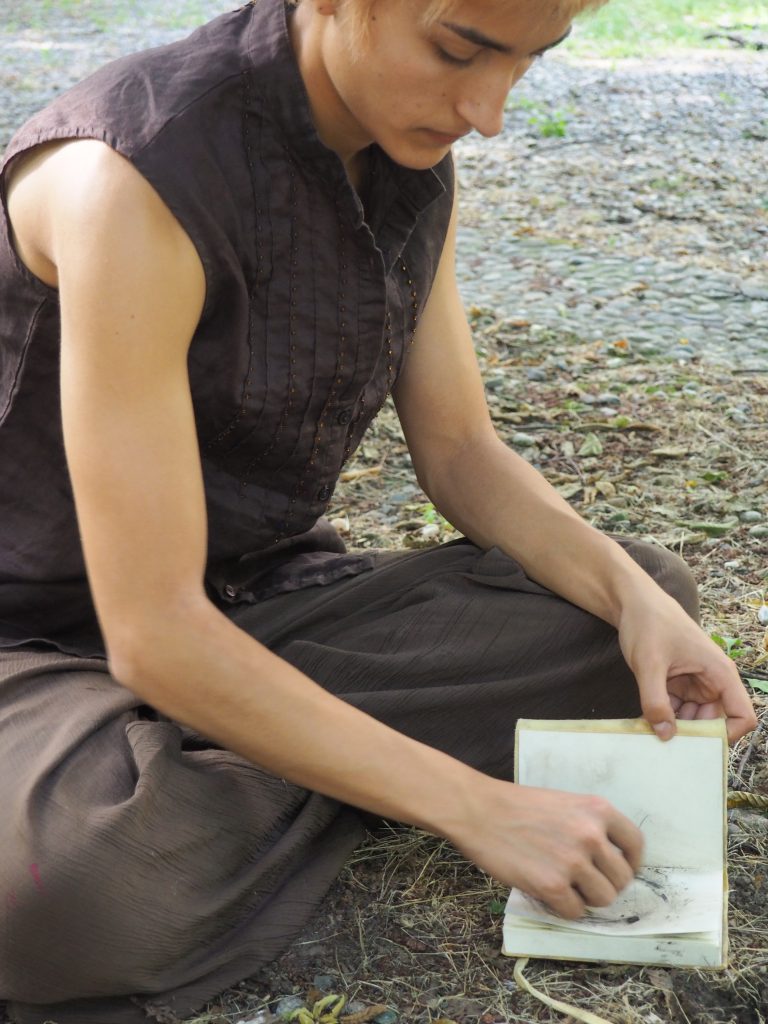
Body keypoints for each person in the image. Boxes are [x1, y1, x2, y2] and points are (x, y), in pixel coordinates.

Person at [0, 0, 756, 1021]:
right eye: (457, 48)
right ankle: (313, 765)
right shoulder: (132, 177)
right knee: (76, 890)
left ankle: (258, 756)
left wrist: (631, 599)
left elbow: (462, 452)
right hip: (39, 642)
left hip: (258, 606)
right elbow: (152, 632)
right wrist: (472, 806)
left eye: (526, 64)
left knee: (634, 608)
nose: (488, 111)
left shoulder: (406, 156)